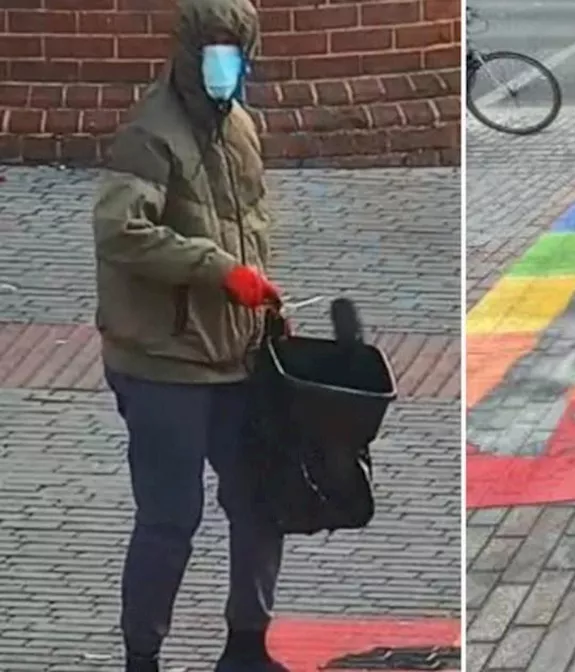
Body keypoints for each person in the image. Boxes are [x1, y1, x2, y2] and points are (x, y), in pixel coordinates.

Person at [91, 0, 288, 669]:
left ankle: (245, 646)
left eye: (236, 48)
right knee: (170, 519)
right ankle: (142, 657)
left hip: (236, 354)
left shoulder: (241, 127)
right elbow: (120, 231)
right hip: (162, 363)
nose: (225, 62)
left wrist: (261, 298)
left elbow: (247, 227)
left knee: (260, 503)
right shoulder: (149, 135)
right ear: (187, 50)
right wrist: (218, 270)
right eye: (213, 47)